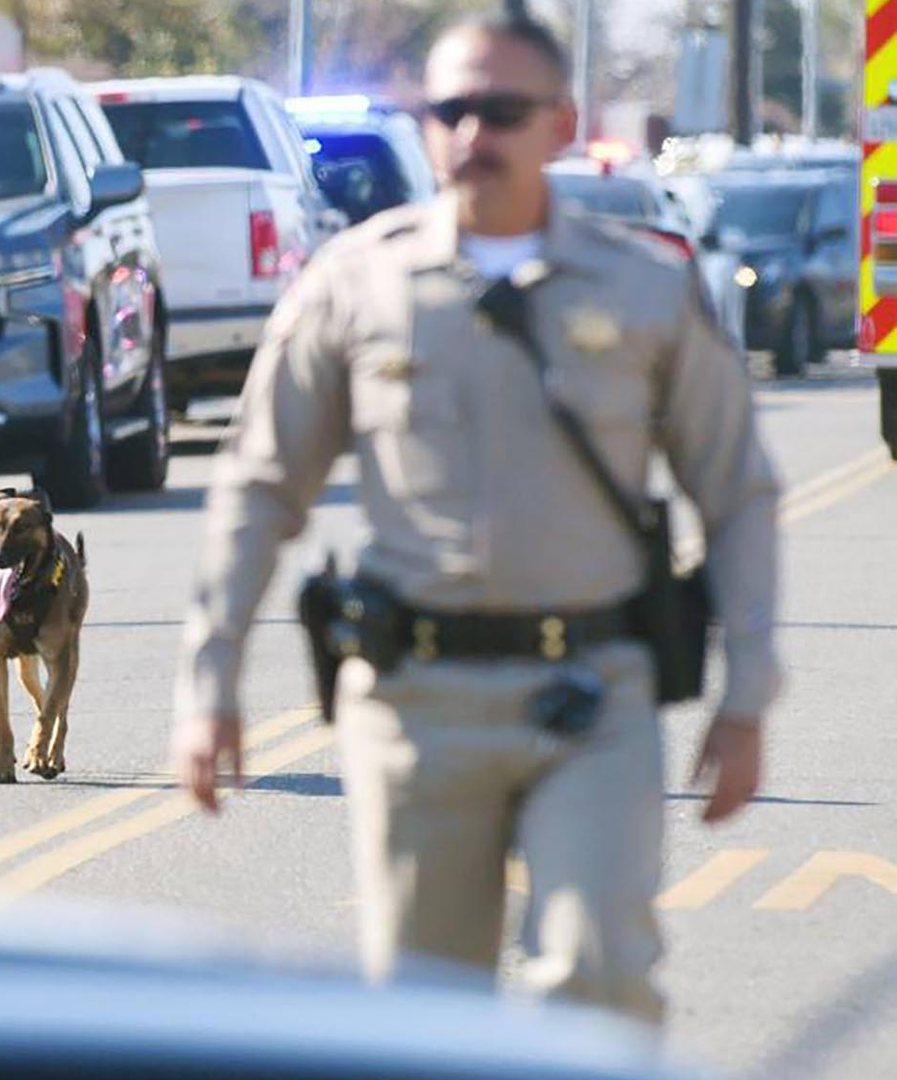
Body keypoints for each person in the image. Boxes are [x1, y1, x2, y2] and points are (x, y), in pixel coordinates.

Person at [170, 13, 780, 1024]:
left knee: (599, 980)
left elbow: (738, 491)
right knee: (422, 1014)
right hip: (414, 703)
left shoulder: (642, 286)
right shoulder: (356, 282)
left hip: (591, 694)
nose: (471, 135)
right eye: (448, 111)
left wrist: (748, 695)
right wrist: (210, 678)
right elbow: (260, 484)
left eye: (501, 111)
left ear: (559, 123)